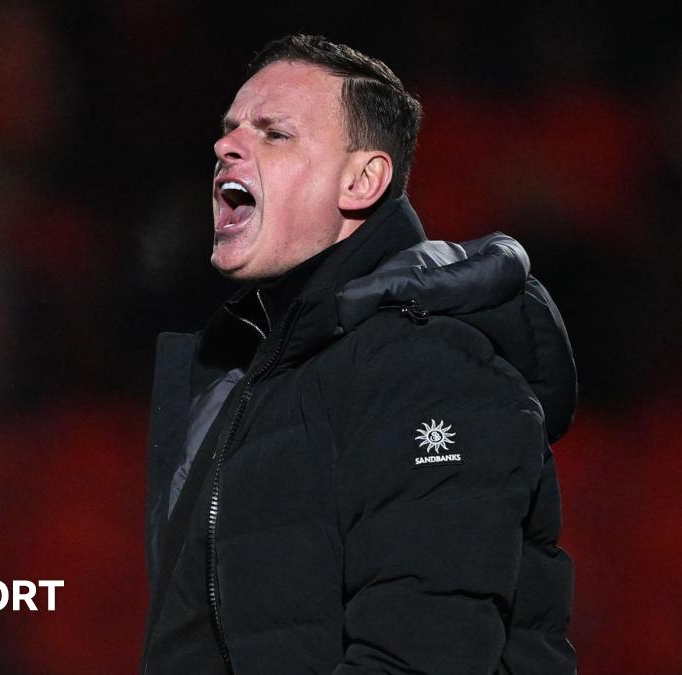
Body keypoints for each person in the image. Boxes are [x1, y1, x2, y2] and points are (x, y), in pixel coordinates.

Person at [141, 34, 578, 675]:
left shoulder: (429, 368)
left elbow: (420, 657)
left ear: (363, 180)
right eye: (230, 129)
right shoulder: (243, 378)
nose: (225, 146)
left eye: (274, 133)